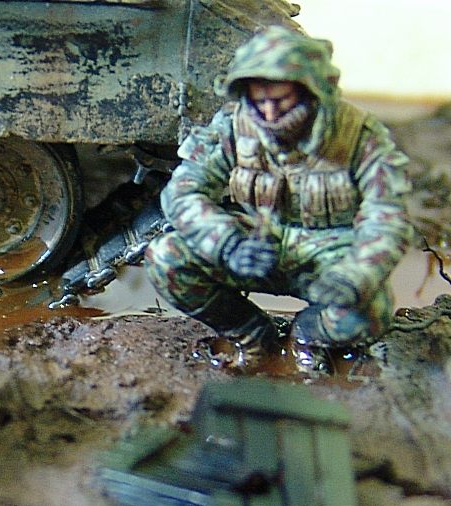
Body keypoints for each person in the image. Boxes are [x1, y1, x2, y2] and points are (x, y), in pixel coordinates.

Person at [144, 26, 414, 372]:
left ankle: (308, 338)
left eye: (282, 100)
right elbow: (184, 190)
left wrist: (353, 275)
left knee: (371, 311)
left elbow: (387, 217)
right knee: (166, 256)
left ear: (311, 92)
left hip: (326, 260)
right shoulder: (231, 126)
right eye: (260, 101)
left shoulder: (359, 136)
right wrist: (226, 243)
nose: (270, 114)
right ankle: (252, 335)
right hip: (252, 246)